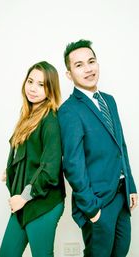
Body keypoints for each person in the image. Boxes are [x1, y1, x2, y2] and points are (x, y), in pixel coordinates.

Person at [58, 39, 138, 257]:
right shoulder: (69, 111)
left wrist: (131, 186)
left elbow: (120, 144)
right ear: (69, 74)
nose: (88, 69)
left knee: (121, 251)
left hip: (122, 196)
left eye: (91, 62)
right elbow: (73, 164)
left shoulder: (109, 101)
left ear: (98, 64)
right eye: (79, 65)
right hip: (98, 202)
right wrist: (92, 209)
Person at [0, 61, 65, 257]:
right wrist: (11, 169)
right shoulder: (28, 113)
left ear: (50, 89)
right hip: (23, 200)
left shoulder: (50, 119)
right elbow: (27, 151)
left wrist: (24, 197)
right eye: (30, 81)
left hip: (42, 201)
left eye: (41, 84)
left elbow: (50, 168)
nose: (33, 89)